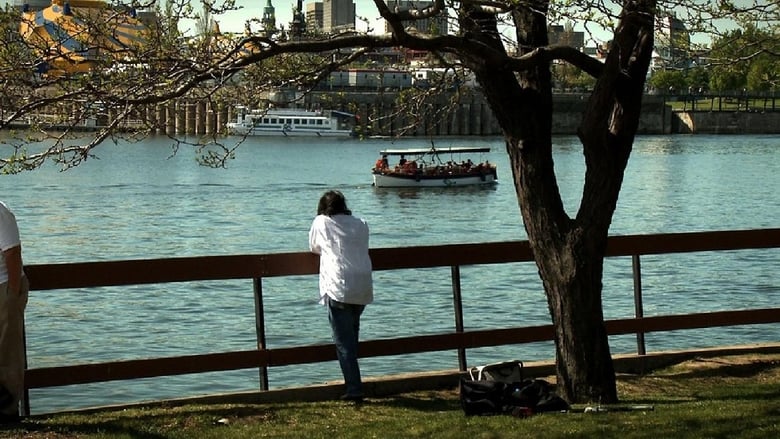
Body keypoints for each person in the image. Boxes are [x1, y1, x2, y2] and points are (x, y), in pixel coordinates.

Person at [308, 191, 373, 402]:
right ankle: (355, 384)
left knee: (344, 343)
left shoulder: (322, 222)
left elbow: (314, 247)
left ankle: (354, 390)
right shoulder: (361, 223)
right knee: (351, 339)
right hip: (362, 286)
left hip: (339, 286)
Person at [0, 201, 28, 423]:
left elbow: (13, 253)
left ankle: (7, 412)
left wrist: (13, 293)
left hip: (3, 288)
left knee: (7, 352)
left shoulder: (1, 212)